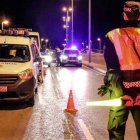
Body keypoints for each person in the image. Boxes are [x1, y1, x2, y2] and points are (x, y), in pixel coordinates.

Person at [98, 1, 140, 140]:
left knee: (116, 131)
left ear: (124, 15)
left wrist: (123, 93)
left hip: (121, 95)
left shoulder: (112, 35)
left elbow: (112, 70)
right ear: (139, 16)